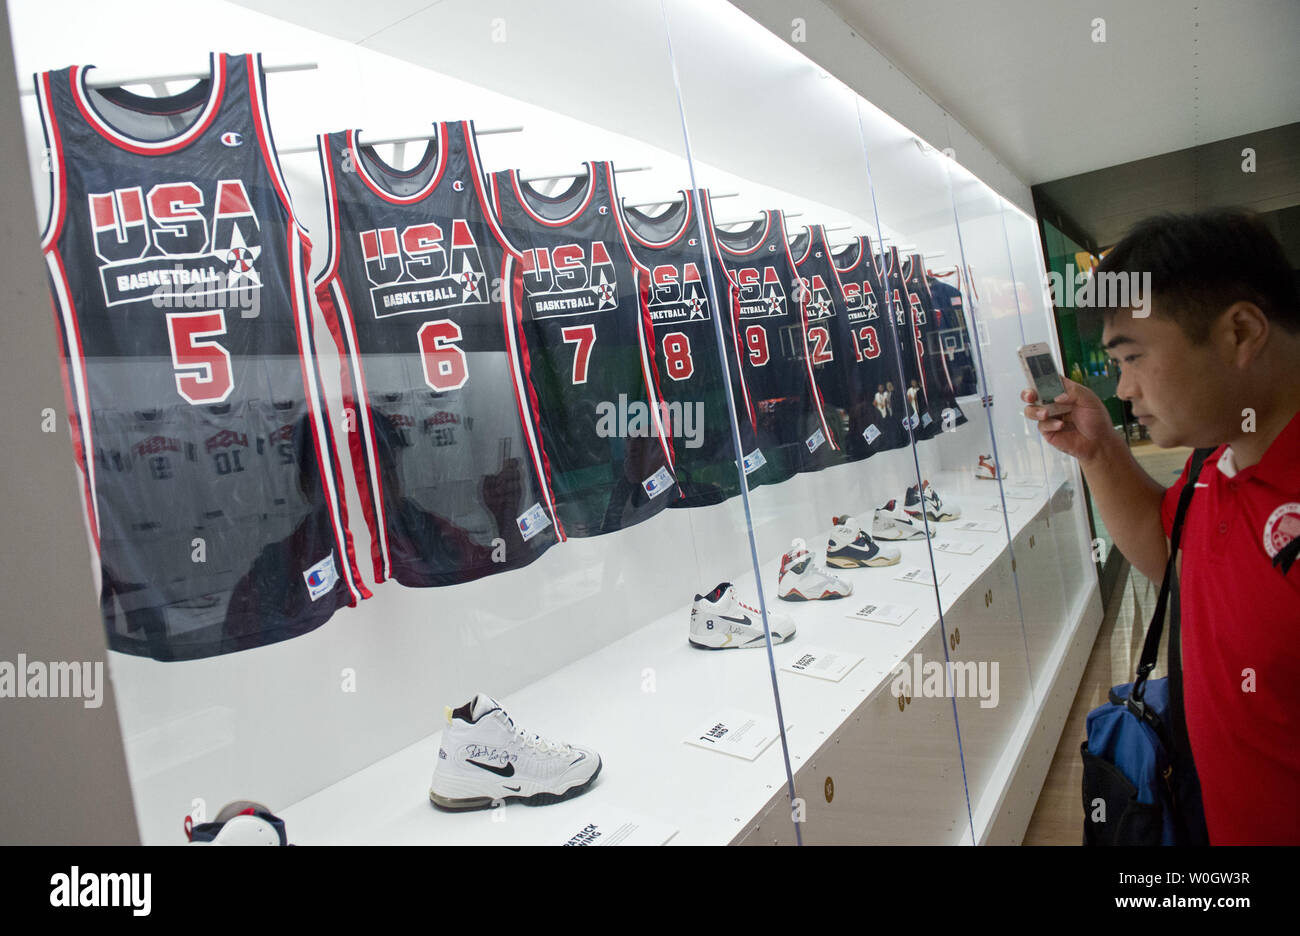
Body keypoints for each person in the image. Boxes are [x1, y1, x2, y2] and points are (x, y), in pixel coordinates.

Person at [1022, 209, 1300, 845]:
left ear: (1241, 331)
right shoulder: (1218, 455)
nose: (1122, 388)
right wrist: (1097, 450)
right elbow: (1173, 554)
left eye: (1133, 357)